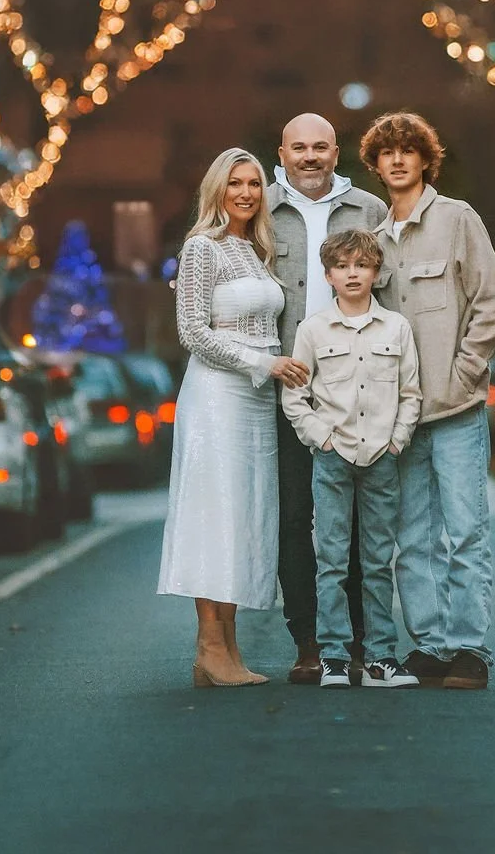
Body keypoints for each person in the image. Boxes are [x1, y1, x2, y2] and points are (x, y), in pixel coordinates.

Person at [361, 112, 495, 691]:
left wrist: (463, 373)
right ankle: (431, 644)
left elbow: (492, 302)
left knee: (466, 532)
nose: (398, 159)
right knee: (413, 539)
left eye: (408, 150)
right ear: (376, 166)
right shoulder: (373, 242)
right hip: (400, 419)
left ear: (426, 159)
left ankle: (470, 648)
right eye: (387, 152)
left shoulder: (456, 219)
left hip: (455, 412)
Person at [157, 148, 309, 687]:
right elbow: (193, 332)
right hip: (217, 398)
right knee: (215, 515)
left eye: (254, 184)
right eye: (235, 183)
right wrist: (264, 363)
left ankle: (227, 648)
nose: (245, 193)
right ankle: (208, 645)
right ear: (216, 189)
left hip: (257, 402)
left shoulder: (255, 249)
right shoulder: (203, 247)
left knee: (246, 517)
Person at [268, 112, 387, 685]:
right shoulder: (260, 210)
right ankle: (309, 641)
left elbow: (393, 294)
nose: (310, 157)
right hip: (285, 389)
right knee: (294, 517)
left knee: (359, 521)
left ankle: (359, 642)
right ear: (282, 154)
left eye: (320, 147)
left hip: (357, 391)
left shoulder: (370, 210)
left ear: (337, 153)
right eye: (299, 148)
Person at [282, 230, 422, 688]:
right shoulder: (313, 330)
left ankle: (381, 656)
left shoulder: (396, 328)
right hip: (332, 457)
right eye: (342, 267)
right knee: (332, 561)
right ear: (328, 276)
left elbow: (410, 393)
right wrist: (321, 439)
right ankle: (335, 657)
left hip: (381, 457)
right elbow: (295, 397)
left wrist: (397, 440)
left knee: (378, 561)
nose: (353, 274)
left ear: (376, 273)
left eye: (362, 265)